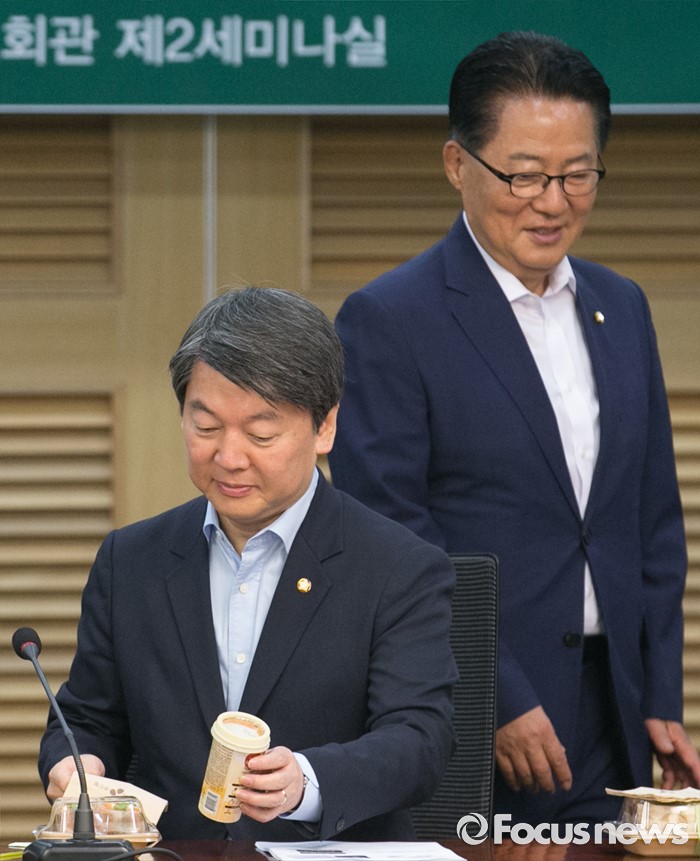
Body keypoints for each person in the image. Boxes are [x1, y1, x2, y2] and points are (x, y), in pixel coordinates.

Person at [328, 31, 700, 825]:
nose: (553, 202)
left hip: (610, 715)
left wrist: (660, 693)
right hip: (466, 718)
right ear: (457, 164)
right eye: (524, 175)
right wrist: (495, 693)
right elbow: (391, 535)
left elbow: (652, 522)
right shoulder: (391, 319)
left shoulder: (622, 306)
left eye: (578, 174)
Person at [38, 285, 457, 841]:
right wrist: (76, 763)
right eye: (206, 427)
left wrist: (306, 781)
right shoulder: (131, 561)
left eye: (261, 433)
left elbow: (419, 740)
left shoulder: (399, 566)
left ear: (325, 427)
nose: (229, 457)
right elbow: (87, 718)